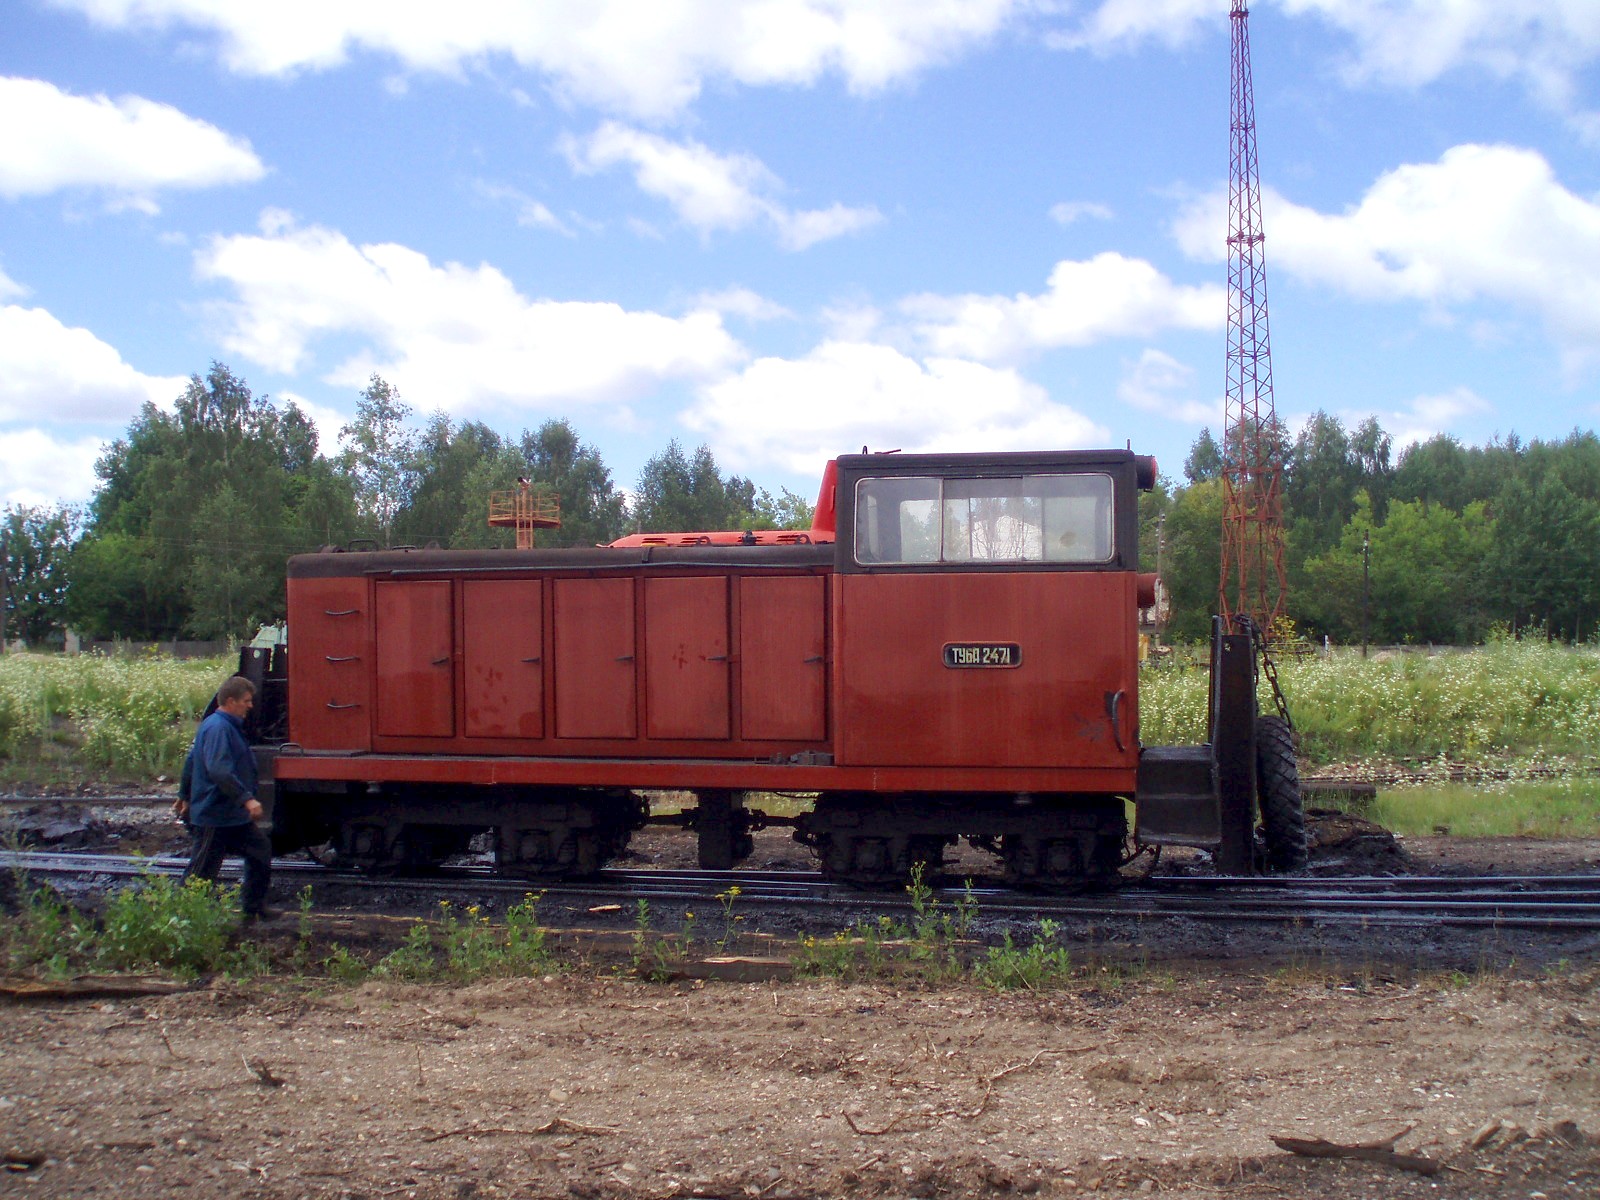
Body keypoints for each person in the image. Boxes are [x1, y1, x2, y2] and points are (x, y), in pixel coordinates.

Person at [175, 675, 277, 920]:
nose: (250, 706)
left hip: (232, 814)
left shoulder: (223, 726)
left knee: (260, 851)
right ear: (231, 701)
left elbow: (191, 761)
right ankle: (180, 916)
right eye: (246, 701)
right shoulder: (219, 728)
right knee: (202, 870)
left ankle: (253, 908)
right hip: (215, 813)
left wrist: (183, 795)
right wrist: (247, 799)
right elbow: (219, 770)